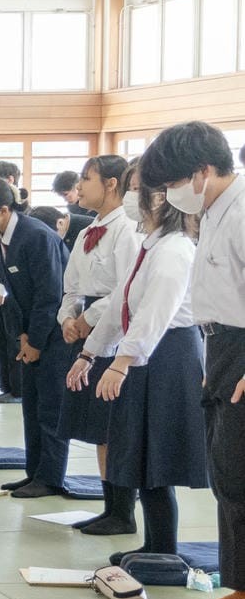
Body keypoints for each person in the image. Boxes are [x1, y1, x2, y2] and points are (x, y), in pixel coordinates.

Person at [134, 122, 245, 599]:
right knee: (227, 475)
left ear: (202, 171)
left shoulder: (241, 211)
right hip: (217, 344)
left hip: (241, 348)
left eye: (173, 183)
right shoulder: (213, 213)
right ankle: (238, 584)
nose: (170, 194)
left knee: (242, 472)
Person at [68, 185, 206, 570]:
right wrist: (90, 353)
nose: (131, 196)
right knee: (141, 453)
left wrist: (121, 363)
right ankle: (154, 544)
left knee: (158, 455)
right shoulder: (150, 243)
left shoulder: (175, 248)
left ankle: (164, 549)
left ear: (159, 198)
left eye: (135, 189)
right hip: (145, 351)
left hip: (169, 353)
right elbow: (119, 305)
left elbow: (155, 314)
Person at [0, 176, 70, 498]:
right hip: (29, 333)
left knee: (49, 407)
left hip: (55, 333)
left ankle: (51, 477)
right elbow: (9, 294)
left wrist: (36, 341)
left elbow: (50, 295)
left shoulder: (36, 236)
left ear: (3, 210)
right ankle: (34, 472)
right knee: (31, 406)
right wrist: (22, 337)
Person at [55, 155, 140, 533]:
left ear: (111, 183)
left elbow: (127, 289)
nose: (80, 186)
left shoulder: (127, 228)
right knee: (97, 427)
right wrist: (67, 318)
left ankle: (123, 509)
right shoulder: (88, 229)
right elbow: (72, 285)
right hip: (86, 328)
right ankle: (110, 507)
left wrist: (88, 319)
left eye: (86, 178)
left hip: (115, 330)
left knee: (115, 426)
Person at [0, 160, 29, 403]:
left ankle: (18, 389)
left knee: (14, 339)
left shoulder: (24, 218)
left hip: (15, 291)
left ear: (10, 180)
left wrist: (4, 285)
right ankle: (6, 385)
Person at [52, 169, 95, 249]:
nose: (65, 199)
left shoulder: (96, 202)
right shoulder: (72, 207)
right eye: (61, 196)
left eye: (65, 194)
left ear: (77, 186)